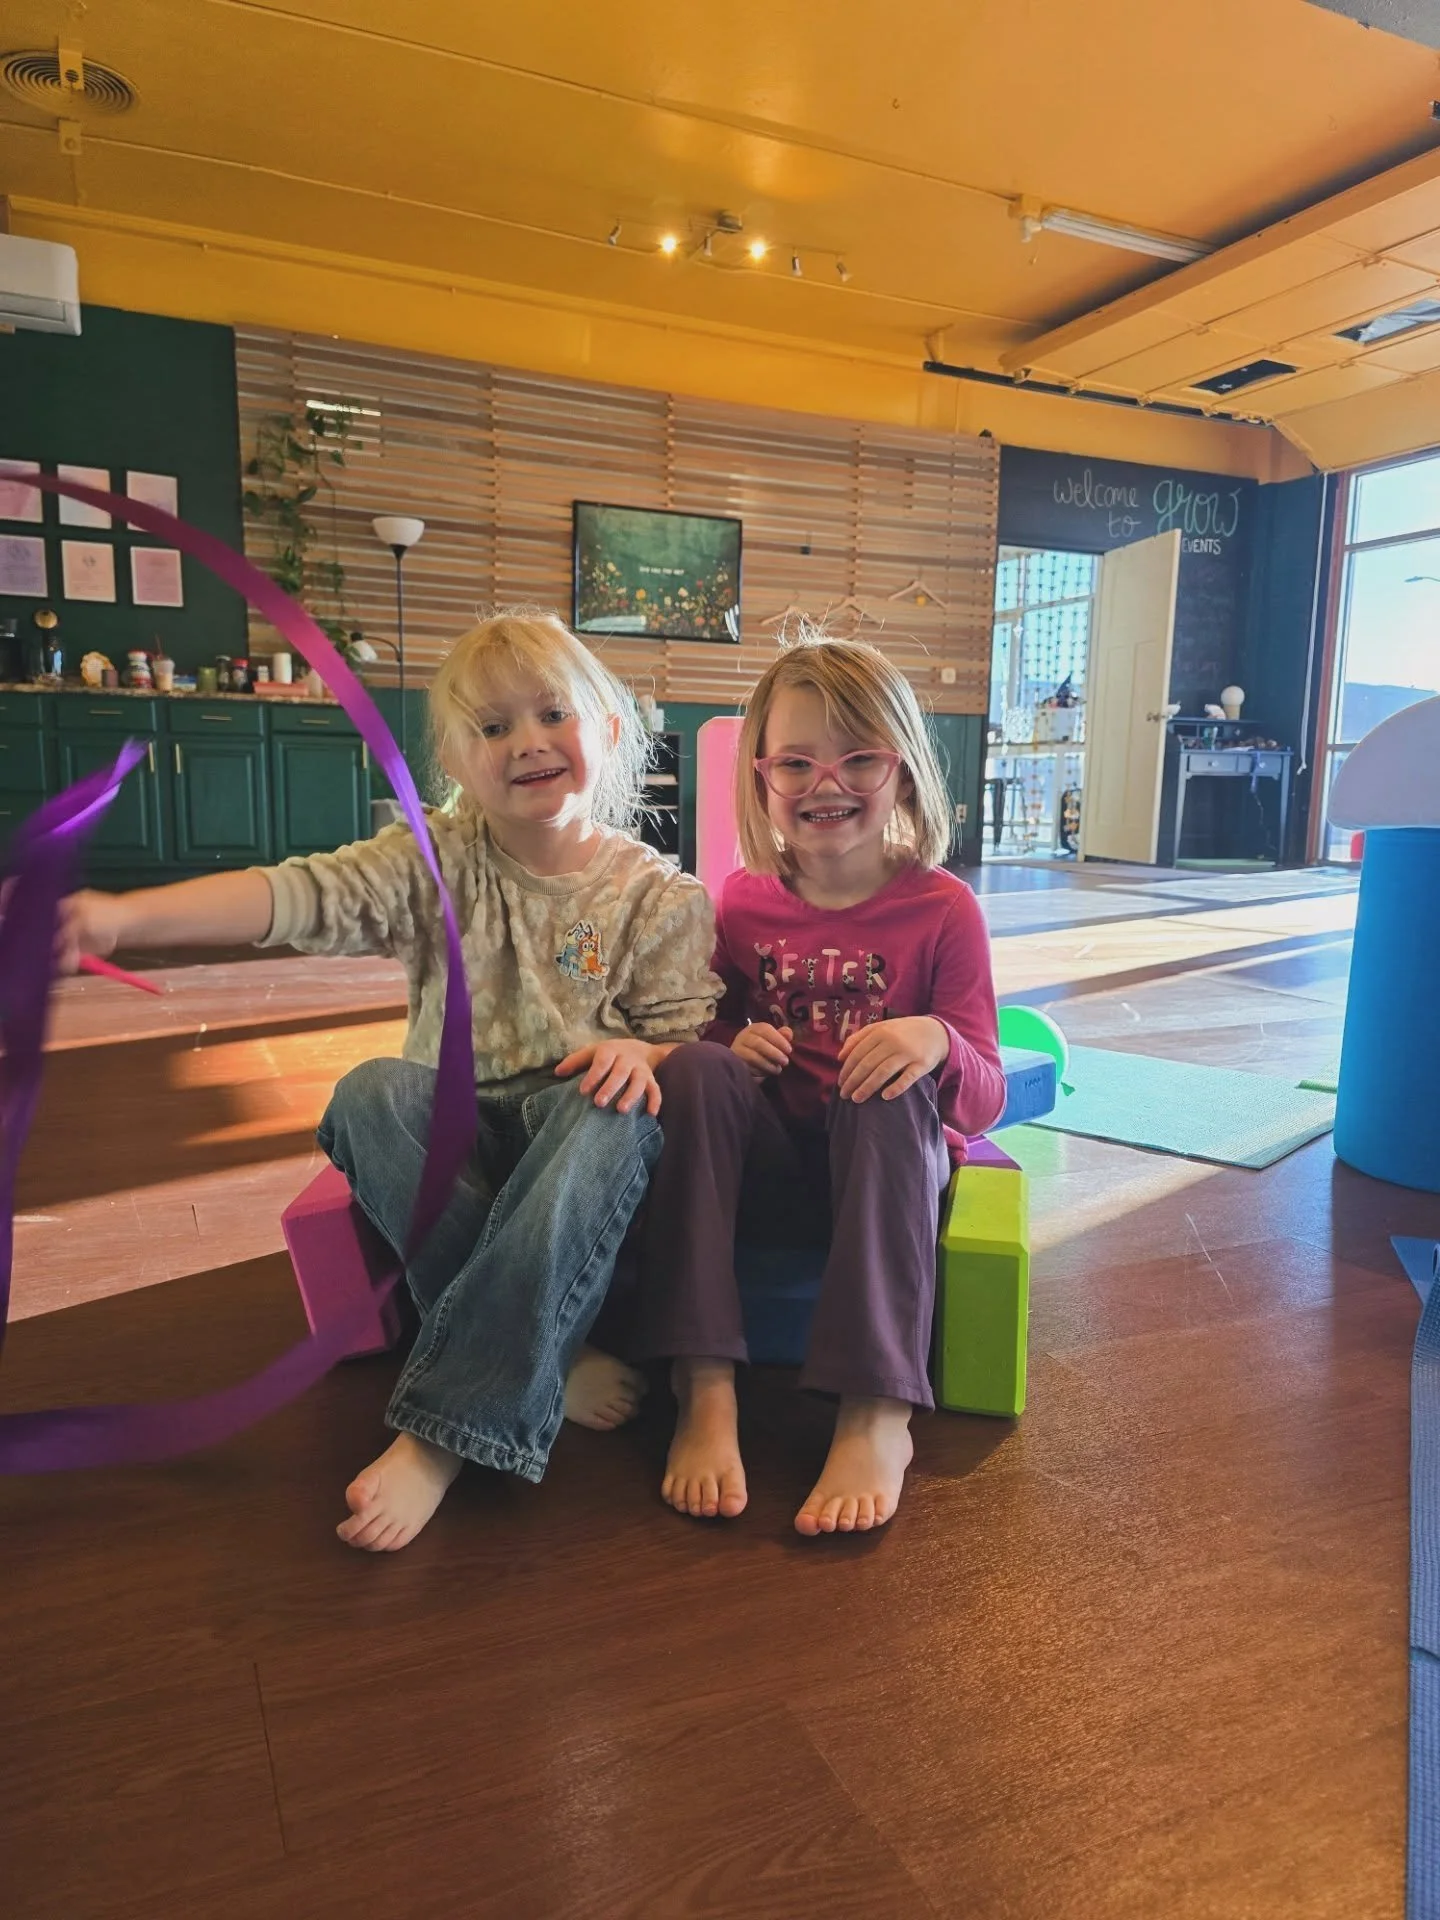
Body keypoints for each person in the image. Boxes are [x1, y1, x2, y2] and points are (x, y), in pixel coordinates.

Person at [58, 611, 720, 1551]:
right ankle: (546, 1352)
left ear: (608, 729)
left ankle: (442, 1434)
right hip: (457, 1121)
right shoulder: (435, 858)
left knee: (611, 1110)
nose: (526, 742)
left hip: (579, 1133)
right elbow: (298, 894)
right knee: (369, 1089)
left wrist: (643, 1055)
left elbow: (684, 1044)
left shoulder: (662, 895)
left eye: (551, 715)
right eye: (492, 729)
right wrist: (123, 918)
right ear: (455, 759)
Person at [636, 636, 1005, 1536]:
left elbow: (987, 1096)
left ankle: (879, 1407)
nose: (823, 783)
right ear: (762, 780)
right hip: (771, 1176)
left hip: (881, 1187)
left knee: (880, 1086)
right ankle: (705, 1383)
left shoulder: (944, 908)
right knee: (693, 1067)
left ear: (904, 773)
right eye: (794, 762)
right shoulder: (742, 901)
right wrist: (735, 1040)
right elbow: (706, 1029)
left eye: (858, 759)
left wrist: (935, 1040)